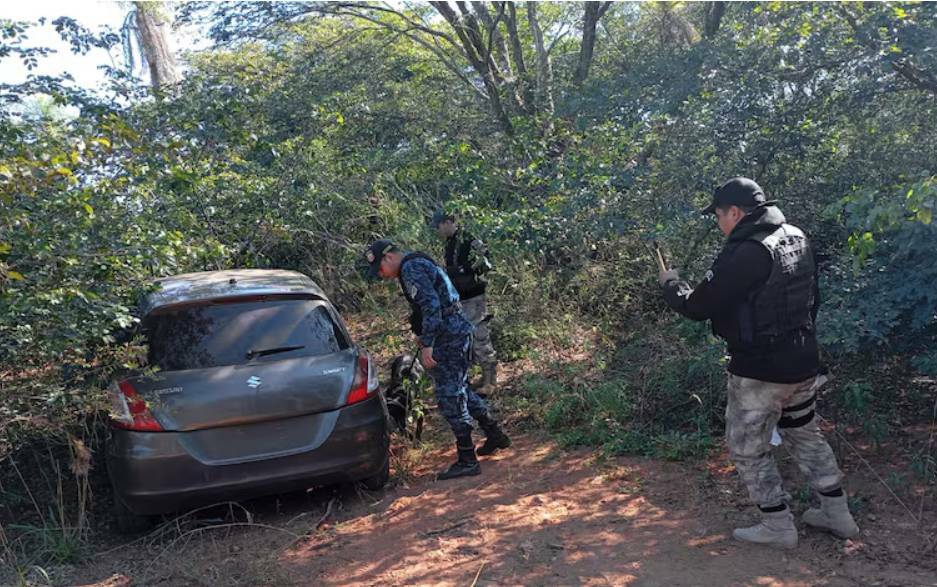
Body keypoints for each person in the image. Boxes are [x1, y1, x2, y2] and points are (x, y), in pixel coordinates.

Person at [658, 177, 859, 549]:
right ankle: (838, 514)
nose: (719, 223)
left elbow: (698, 306)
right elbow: (813, 298)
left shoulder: (748, 251)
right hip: (801, 361)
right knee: (804, 433)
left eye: (719, 215)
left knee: (747, 445)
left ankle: (777, 527)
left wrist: (671, 285)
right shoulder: (796, 235)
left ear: (735, 212)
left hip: (760, 371)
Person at [364, 239, 511, 480]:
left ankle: (467, 459)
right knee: (460, 386)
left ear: (388, 258)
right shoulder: (417, 262)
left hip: (448, 336)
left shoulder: (411, 268)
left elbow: (432, 305)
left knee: (449, 395)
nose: (381, 276)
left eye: (379, 269)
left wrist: (429, 343)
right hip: (454, 330)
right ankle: (494, 433)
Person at [432, 211, 498, 393]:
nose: (438, 231)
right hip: (462, 298)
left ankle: (490, 382)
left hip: (474, 295)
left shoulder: (469, 238)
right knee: (466, 337)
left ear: (446, 222)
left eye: (438, 226)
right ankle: (483, 378)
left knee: (479, 335)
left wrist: (461, 271)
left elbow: (486, 261)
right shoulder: (451, 242)